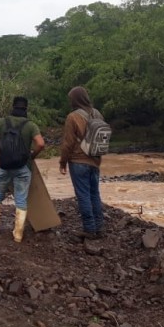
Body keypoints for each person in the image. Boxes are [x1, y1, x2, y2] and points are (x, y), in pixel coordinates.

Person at [0, 96, 45, 243]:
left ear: (13, 107)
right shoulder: (30, 125)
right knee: (21, 199)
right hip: (22, 168)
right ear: (26, 109)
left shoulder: (2, 122)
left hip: (4, 166)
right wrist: (32, 156)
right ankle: (18, 234)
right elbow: (41, 144)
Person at [59, 86, 105, 239]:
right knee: (95, 194)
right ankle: (99, 228)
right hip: (95, 161)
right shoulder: (98, 114)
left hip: (78, 161)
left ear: (75, 100)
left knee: (83, 195)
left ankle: (89, 229)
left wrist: (62, 162)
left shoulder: (73, 117)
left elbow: (68, 143)